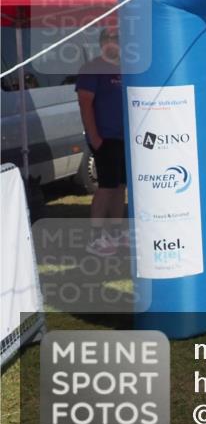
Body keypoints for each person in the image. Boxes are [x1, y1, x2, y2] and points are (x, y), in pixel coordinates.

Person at [76, 27, 127, 257]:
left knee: (119, 187)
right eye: (111, 39)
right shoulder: (92, 69)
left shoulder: (125, 67)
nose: (115, 42)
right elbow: (85, 104)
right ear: (102, 42)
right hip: (105, 138)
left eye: (118, 38)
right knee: (106, 188)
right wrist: (95, 137)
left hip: (125, 138)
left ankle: (116, 233)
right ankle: (95, 238)